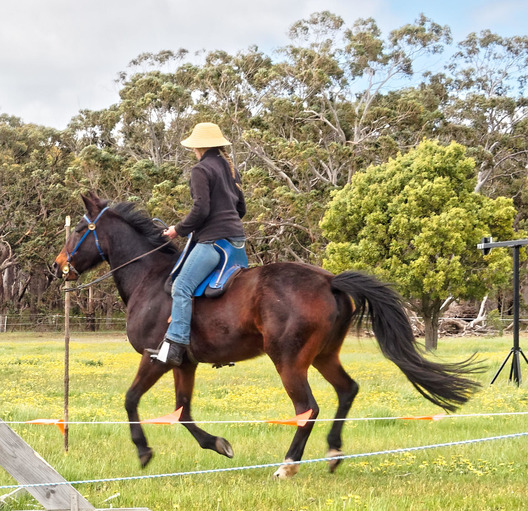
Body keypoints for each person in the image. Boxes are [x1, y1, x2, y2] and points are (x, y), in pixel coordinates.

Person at [152, 122, 246, 366]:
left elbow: (201, 209)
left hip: (213, 243)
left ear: (199, 146)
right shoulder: (230, 168)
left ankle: (175, 345)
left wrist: (177, 230)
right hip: (236, 244)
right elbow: (241, 208)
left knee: (181, 287)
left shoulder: (201, 169)